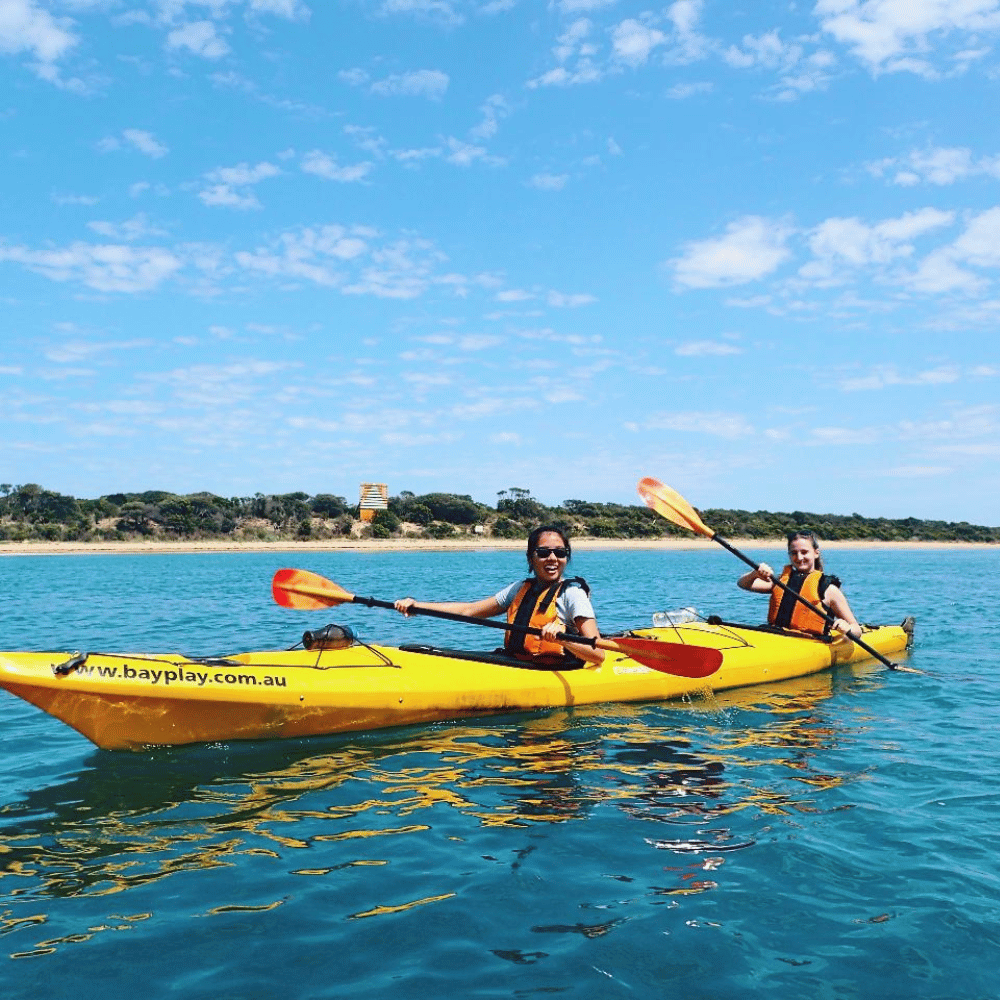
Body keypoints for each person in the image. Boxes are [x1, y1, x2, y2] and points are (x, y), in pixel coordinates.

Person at [393, 525, 604, 667]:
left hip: (556, 670)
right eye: (543, 552)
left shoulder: (573, 595)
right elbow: (469, 611)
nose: (552, 558)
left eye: (560, 553)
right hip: (518, 664)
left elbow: (598, 655)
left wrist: (563, 640)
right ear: (531, 558)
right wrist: (418, 606)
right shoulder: (519, 589)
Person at [736, 530, 862, 638]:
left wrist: (847, 628)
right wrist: (755, 573)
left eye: (804, 552)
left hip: (810, 643)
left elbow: (857, 630)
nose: (799, 557)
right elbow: (743, 584)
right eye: (794, 553)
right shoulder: (781, 582)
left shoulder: (829, 590)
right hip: (775, 637)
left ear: (816, 553)